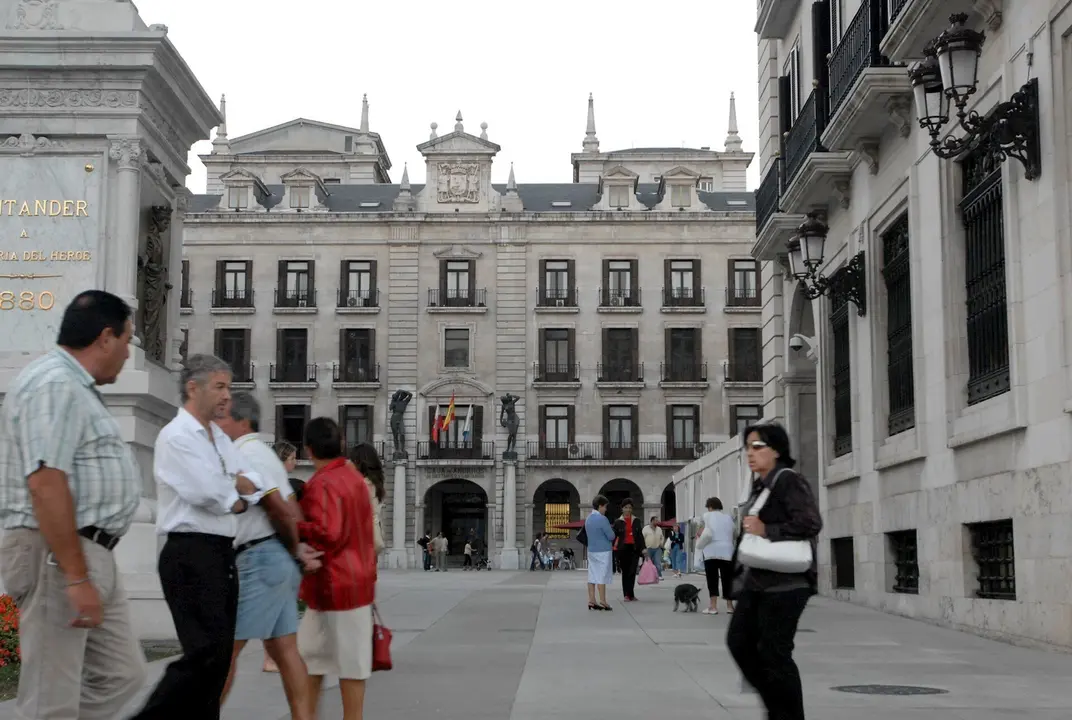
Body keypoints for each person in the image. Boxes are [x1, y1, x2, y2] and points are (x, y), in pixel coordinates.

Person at [0, 290, 147, 719]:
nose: (127, 353)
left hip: (89, 550)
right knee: (51, 698)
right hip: (58, 553)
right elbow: (46, 482)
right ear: (106, 337)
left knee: (123, 676)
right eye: (127, 340)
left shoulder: (75, 388)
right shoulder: (54, 384)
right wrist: (76, 576)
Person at [130, 354, 269, 720]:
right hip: (190, 553)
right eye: (220, 387)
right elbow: (210, 493)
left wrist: (235, 490)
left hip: (222, 553)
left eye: (229, 387)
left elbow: (256, 483)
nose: (227, 396)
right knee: (203, 653)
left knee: (219, 660)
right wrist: (234, 492)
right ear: (194, 387)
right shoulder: (176, 437)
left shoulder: (218, 437)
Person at [218, 393, 318, 720]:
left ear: (242, 421)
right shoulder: (265, 454)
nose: (217, 423)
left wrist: (295, 547)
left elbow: (279, 509)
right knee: (285, 651)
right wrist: (295, 550)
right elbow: (292, 506)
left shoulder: (246, 454)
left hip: (258, 558)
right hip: (274, 559)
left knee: (225, 651)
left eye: (223, 416)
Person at [726, 423, 822, 720]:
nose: (750, 454)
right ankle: (776, 707)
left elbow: (810, 523)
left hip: (787, 584)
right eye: (747, 448)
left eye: (758, 447)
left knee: (775, 654)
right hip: (758, 581)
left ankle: (787, 714)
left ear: (776, 450)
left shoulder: (788, 481)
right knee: (739, 642)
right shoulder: (761, 485)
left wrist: (767, 529)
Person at [297, 417, 377, 720]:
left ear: (308, 450)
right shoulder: (354, 478)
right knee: (350, 667)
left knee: (310, 663)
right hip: (358, 584)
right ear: (341, 444)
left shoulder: (321, 484)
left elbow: (328, 532)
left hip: (331, 587)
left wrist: (296, 525)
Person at [265, 440, 300, 673]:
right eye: (292, 459)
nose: (295, 463)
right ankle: (271, 659)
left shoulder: (280, 484)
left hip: (280, 550)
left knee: (280, 607)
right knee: (277, 607)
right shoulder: (278, 485)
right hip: (278, 550)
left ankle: (275, 657)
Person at [697, 497, 737, 614]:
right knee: (727, 579)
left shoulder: (706, 516)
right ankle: (730, 606)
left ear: (710, 506)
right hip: (727, 552)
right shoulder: (728, 518)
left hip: (711, 552)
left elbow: (700, 532)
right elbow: (734, 533)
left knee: (712, 579)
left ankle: (713, 607)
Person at [349, 442, 385, 556]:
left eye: (352, 460)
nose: (349, 463)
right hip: (370, 543)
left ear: (359, 462)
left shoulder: (362, 485)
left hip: (361, 544)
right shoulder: (375, 483)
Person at [584, 495, 615, 611]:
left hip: (591, 550)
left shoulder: (588, 519)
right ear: (600, 506)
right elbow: (611, 536)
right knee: (602, 575)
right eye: (605, 507)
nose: (606, 509)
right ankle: (603, 601)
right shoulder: (603, 519)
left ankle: (592, 600)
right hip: (603, 551)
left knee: (592, 575)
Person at [612, 499, 645, 601]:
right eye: (626, 507)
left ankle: (631, 594)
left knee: (632, 572)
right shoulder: (618, 522)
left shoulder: (636, 521)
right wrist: (614, 549)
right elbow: (614, 536)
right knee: (626, 572)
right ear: (622, 509)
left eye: (630, 508)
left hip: (634, 549)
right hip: (623, 549)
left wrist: (643, 549)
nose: (628, 510)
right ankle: (626, 594)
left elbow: (640, 536)